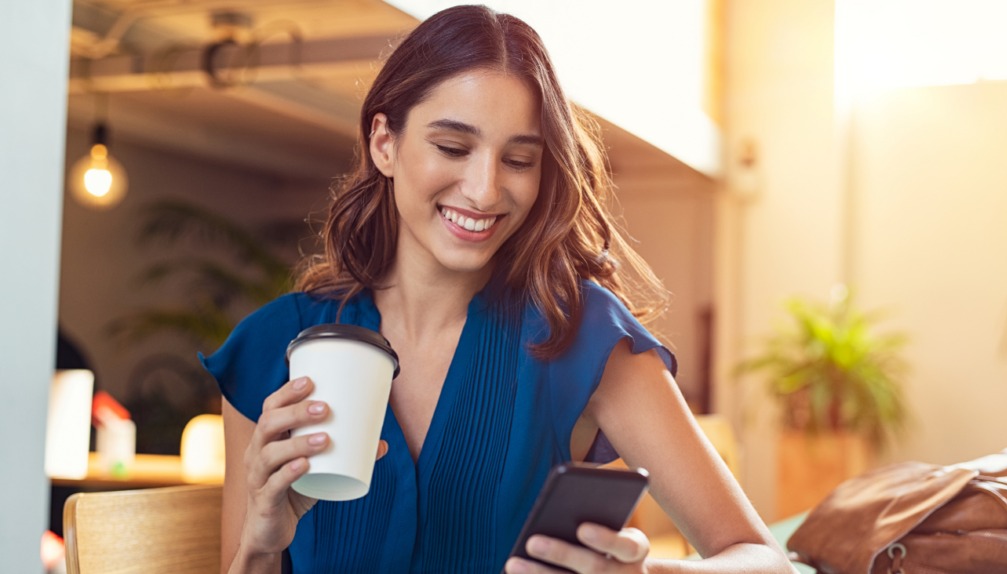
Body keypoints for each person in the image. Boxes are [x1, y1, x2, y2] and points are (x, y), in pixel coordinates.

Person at [202, 5, 795, 573]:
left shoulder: (580, 337)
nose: (485, 191)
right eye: (453, 148)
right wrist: (258, 546)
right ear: (384, 142)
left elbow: (765, 560)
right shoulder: (271, 347)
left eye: (518, 159)